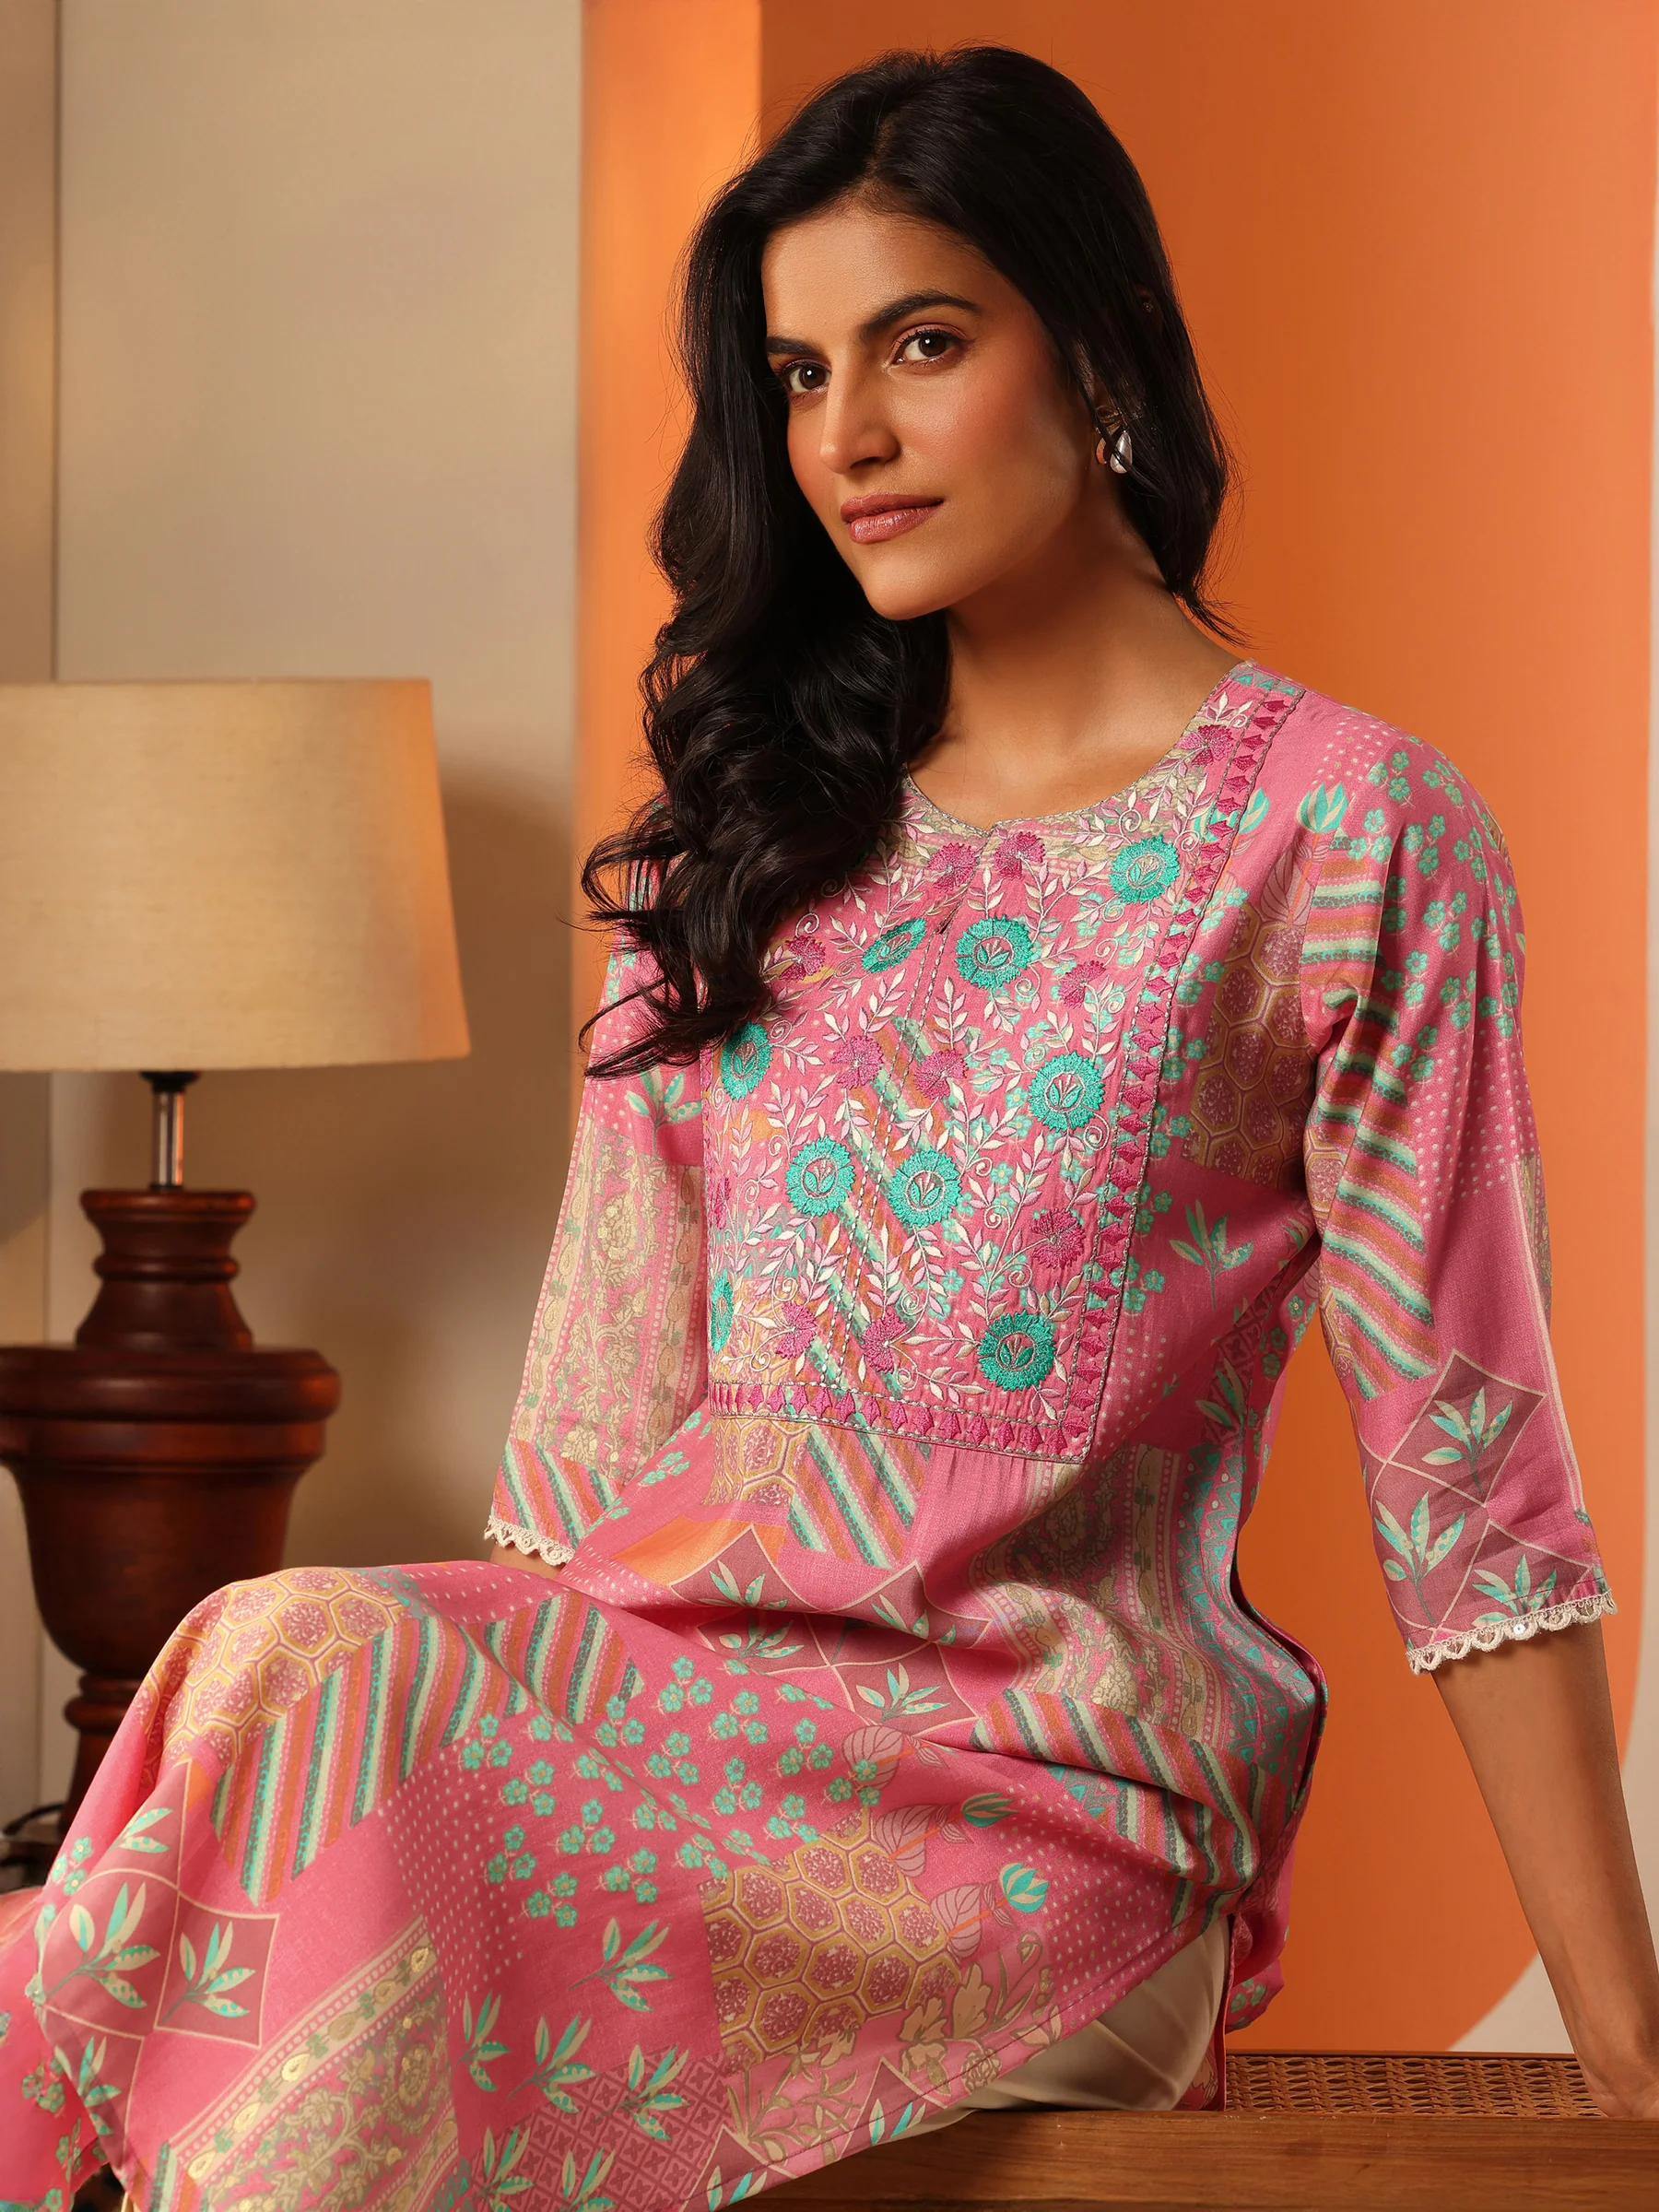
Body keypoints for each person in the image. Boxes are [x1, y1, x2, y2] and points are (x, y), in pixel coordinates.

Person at [4, 41, 1655, 2209]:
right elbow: (582, 1470)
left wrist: (1628, 2045)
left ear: (1103, 351)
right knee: (290, 1648)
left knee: (322, 1696)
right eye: (797, 374)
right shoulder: (750, 847)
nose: (844, 436)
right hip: (668, 1768)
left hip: (1037, 1823)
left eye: (922, 344)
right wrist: (478, 1771)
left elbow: (1475, 1492)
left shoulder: (1349, 841)